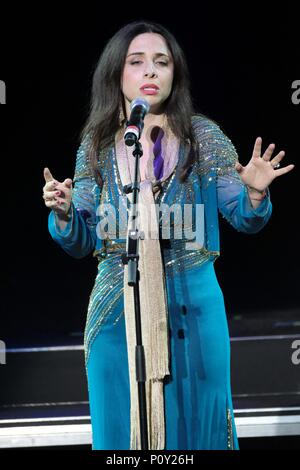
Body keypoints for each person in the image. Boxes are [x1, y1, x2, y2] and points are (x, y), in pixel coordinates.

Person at [42, 21, 295, 451]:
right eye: (137, 62)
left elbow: (245, 218)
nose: (151, 72)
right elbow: (82, 238)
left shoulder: (203, 136)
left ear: (175, 73)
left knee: (200, 429)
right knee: (122, 436)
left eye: (162, 62)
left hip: (195, 308)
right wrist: (64, 213)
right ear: (116, 74)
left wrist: (254, 192)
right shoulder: (98, 144)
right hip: (115, 311)